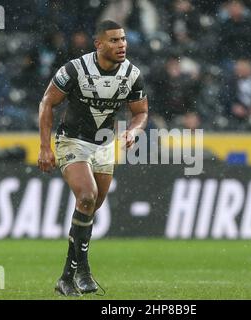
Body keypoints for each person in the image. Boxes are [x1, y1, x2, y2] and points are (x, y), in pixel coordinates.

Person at [38, 20, 148, 296]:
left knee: (89, 210)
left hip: (104, 145)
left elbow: (141, 112)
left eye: (123, 39)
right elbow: (47, 103)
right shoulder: (74, 70)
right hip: (72, 140)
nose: (121, 44)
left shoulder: (132, 74)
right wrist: (44, 147)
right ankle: (82, 269)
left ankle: (67, 277)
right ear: (98, 44)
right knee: (86, 197)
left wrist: (134, 131)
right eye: (114, 40)